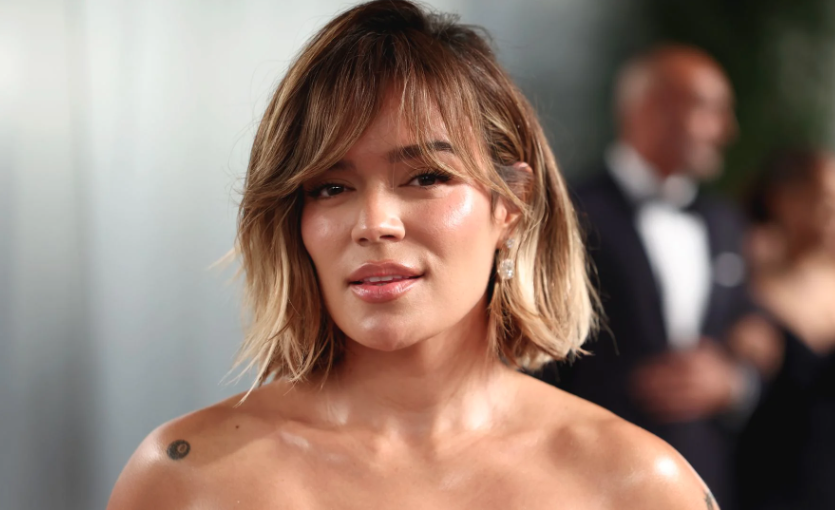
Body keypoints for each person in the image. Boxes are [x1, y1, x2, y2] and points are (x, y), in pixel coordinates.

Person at [107, 3, 718, 509]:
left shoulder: (637, 486)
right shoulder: (186, 481)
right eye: (331, 187)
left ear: (511, 204)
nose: (374, 223)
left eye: (426, 177)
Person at [536, 45, 758, 510]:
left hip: (707, 482)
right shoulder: (568, 212)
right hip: (588, 481)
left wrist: (733, 381)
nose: (727, 130)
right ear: (650, 109)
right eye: (710, 110)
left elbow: (745, 321)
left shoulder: (724, 222)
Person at [736, 148, 835, 510]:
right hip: (762, 480)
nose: (832, 210)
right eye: (825, 198)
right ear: (785, 200)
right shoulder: (743, 278)